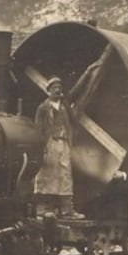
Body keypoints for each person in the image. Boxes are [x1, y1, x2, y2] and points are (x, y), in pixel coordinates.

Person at [34, 77, 84, 219]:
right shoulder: (43, 108)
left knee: (65, 175)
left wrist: (72, 138)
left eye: (59, 87)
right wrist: (41, 147)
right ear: (48, 90)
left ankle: (67, 211)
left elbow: (74, 123)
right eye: (54, 88)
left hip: (64, 143)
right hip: (49, 143)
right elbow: (38, 129)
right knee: (46, 174)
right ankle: (42, 210)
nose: (57, 90)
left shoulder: (65, 106)